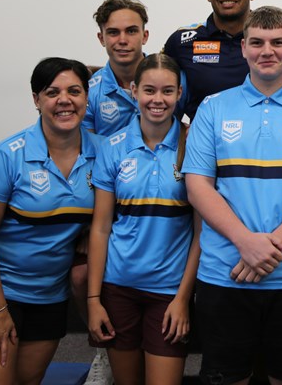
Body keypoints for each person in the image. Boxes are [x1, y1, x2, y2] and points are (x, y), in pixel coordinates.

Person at [183, 6, 282, 385]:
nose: (267, 51)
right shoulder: (213, 108)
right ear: (243, 48)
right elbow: (198, 187)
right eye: (257, 42)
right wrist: (245, 243)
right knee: (226, 378)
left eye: (277, 42)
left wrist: (267, 249)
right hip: (225, 274)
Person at [0, 57, 100, 385]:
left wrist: (89, 229)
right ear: (36, 100)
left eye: (74, 91)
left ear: (86, 98)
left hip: (48, 293)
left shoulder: (102, 153)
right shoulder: (6, 156)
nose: (64, 100)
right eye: (52, 92)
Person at [87, 53, 200, 385]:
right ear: (134, 91)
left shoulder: (195, 144)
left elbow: (200, 233)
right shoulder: (113, 147)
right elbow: (101, 227)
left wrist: (183, 298)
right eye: (149, 90)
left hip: (169, 292)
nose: (157, 100)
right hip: (118, 287)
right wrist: (93, 300)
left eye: (167, 91)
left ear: (179, 93)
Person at [84, 0, 150, 136]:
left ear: (144, 36)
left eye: (131, 31)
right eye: (113, 32)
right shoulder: (88, 91)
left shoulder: (172, 81)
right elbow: (87, 145)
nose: (123, 40)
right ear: (101, 38)